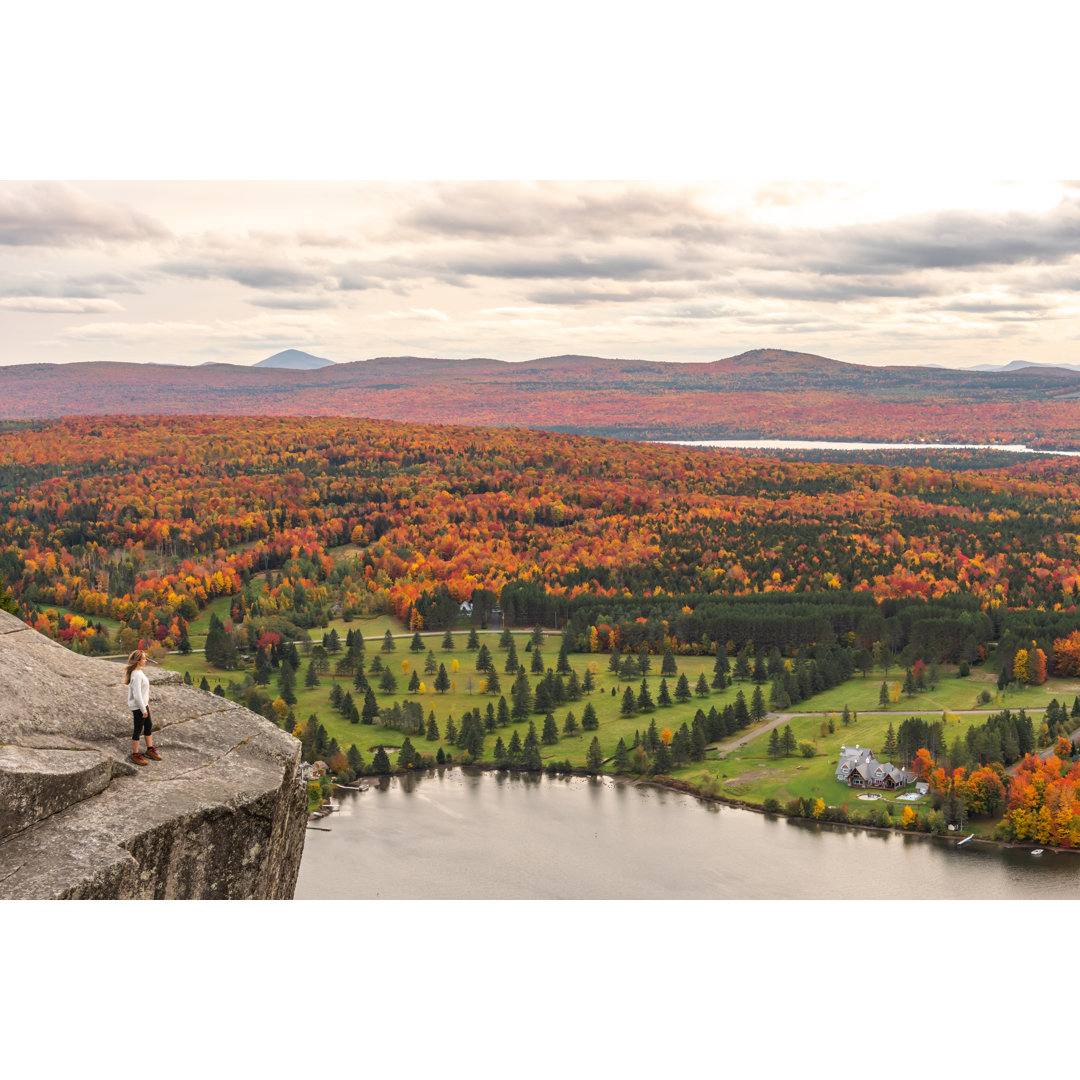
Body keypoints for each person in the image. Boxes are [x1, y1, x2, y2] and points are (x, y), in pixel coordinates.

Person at [125, 649, 162, 766]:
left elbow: (143, 692)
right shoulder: (136, 674)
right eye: (144, 659)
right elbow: (137, 695)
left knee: (148, 726)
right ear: (138, 661)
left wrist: (146, 705)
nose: (146, 661)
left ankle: (149, 749)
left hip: (143, 706)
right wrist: (142, 709)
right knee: (138, 729)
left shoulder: (139, 672)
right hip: (138, 707)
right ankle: (135, 755)